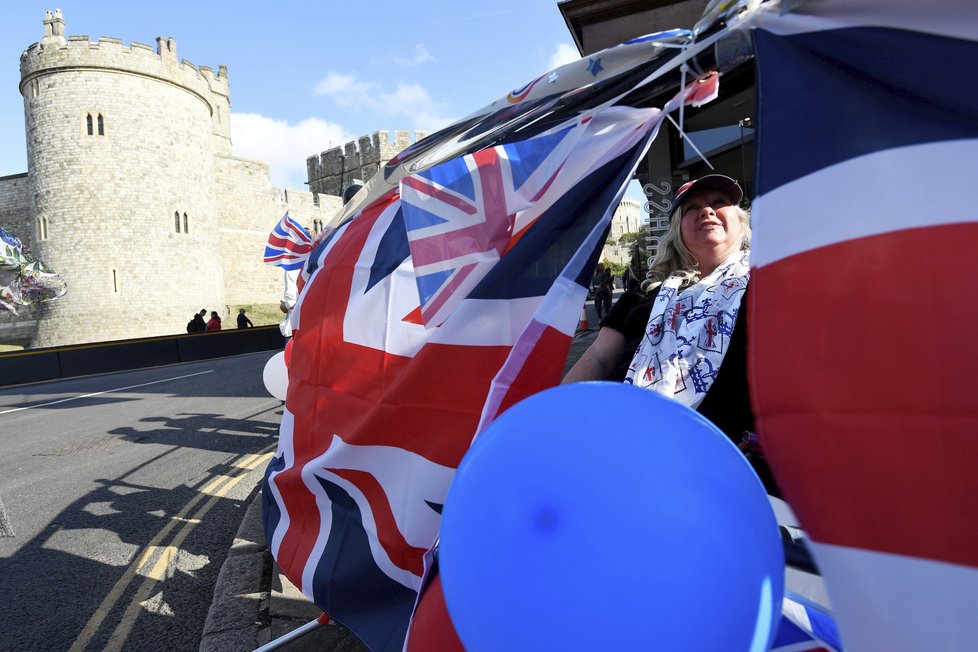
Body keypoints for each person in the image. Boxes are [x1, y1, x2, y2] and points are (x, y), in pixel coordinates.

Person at [563, 175, 775, 491]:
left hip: (731, 467)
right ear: (677, 229)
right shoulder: (642, 295)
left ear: (741, 222)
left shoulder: (768, 285)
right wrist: (557, 415)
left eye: (719, 203)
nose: (707, 212)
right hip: (625, 455)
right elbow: (598, 357)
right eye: (693, 208)